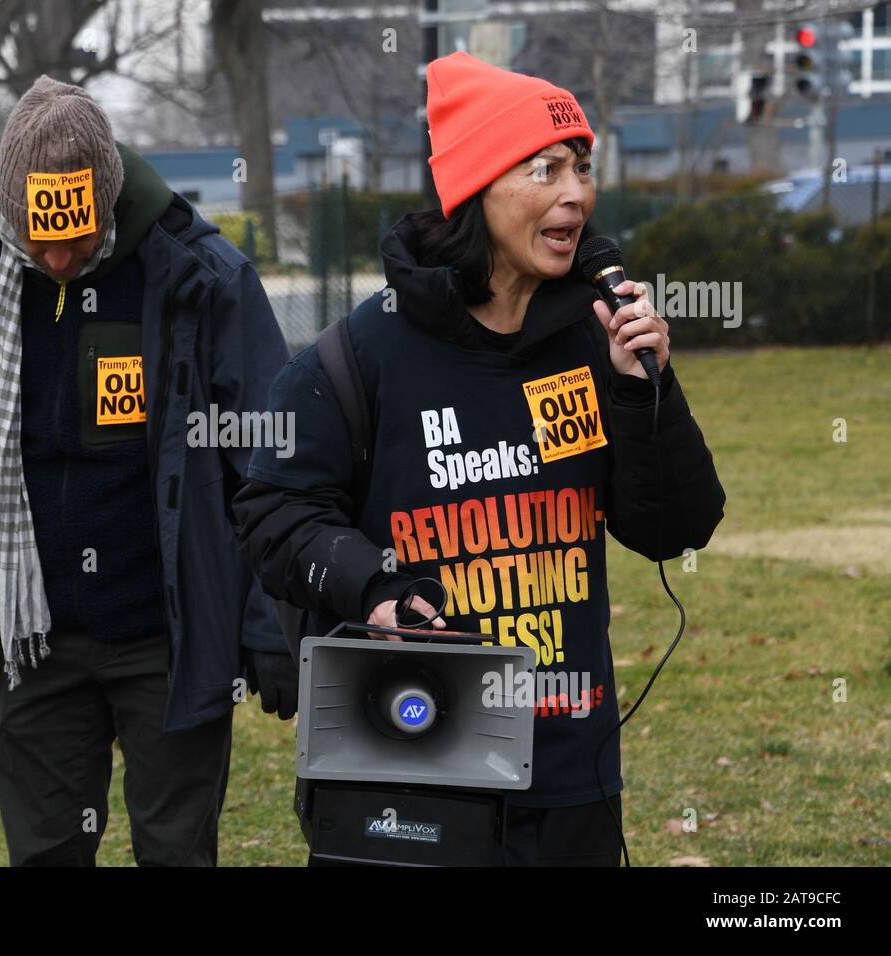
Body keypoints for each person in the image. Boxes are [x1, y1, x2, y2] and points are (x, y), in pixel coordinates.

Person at [233, 51, 726, 866]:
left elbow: (677, 526)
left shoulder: (593, 341)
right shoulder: (362, 354)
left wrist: (643, 393)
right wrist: (374, 587)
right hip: (406, 769)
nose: (576, 193)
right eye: (546, 170)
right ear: (476, 189)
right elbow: (270, 509)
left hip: (570, 774)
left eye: (581, 168)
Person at [0, 75, 296, 866]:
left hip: (168, 640)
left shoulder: (200, 275)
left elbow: (271, 458)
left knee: (178, 853)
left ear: (109, 203)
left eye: (77, 238)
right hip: (38, 639)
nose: (57, 256)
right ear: (8, 206)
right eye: (37, 236)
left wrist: (267, 626)